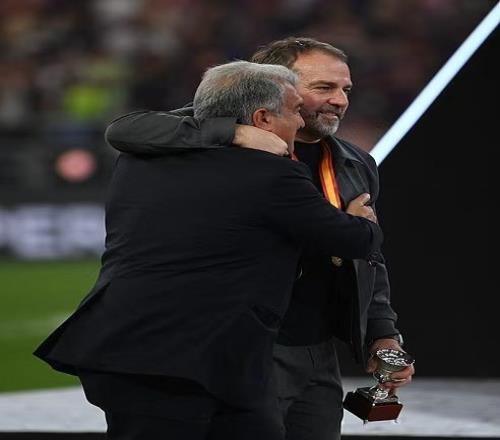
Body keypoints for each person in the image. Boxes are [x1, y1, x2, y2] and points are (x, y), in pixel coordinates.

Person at [34, 60, 383, 440]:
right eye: (296, 110)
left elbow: (131, 127)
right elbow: (355, 240)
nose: (300, 123)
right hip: (183, 360)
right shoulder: (271, 174)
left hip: (130, 346)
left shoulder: (138, 159)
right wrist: (360, 219)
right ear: (263, 118)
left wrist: (228, 130)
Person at [103, 37, 415, 440]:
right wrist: (233, 133)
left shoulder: (355, 162)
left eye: (345, 89)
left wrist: (382, 333)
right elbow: (126, 128)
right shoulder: (212, 142)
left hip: (317, 350)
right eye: (324, 87)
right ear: (275, 84)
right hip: (243, 344)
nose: (340, 101)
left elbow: (368, 259)